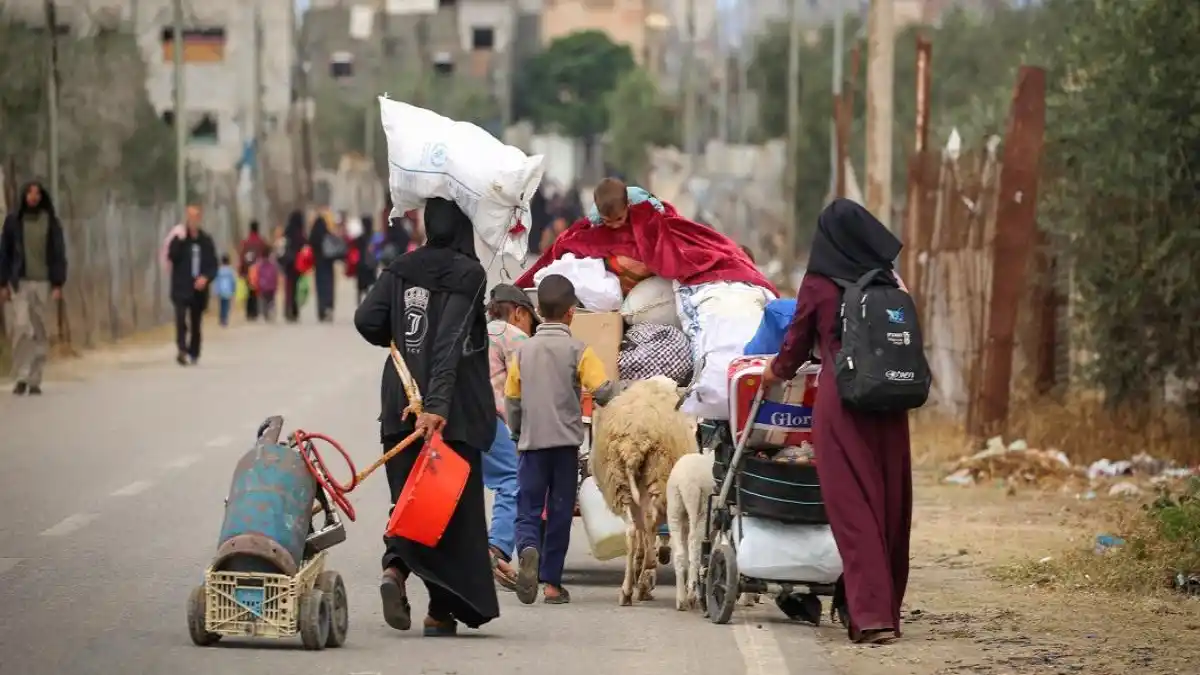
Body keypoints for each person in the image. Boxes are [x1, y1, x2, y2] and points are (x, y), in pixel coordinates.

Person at [761, 198, 912, 645]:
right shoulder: (889, 280)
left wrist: (773, 370)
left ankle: (870, 617)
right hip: (890, 407)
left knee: (853, 511)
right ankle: (881, 607)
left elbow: (795, 346)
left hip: (843, 408)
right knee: (889, 508)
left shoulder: (819, 283)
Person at [353, 197, 499, 637]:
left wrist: (397, 329)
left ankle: (396, 572)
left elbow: (367, 320)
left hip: (400, 403)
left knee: (411, 503)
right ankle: (439, 611)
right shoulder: (469, 274)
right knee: (445, 512)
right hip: (445, 412)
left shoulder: (401, 267)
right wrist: (435, 407)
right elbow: (450, 340)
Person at [504, 274, 617, 606]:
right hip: (566, 447)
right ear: (572, 313)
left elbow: (512, 398)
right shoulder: (579, 350)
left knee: (528, 507)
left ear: (537, 310)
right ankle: (552, 584)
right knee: (560, 512)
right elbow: (602, 390)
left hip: (531, 445)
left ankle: (527, 548)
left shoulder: (522, 353)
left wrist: (517, 431)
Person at [483, 283, 539, 590]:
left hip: (455, 417)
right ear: (519, 313)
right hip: (489, 420)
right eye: (531, 320)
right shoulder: (513, 336)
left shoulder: (474, 330)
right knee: (511, 480)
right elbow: (527, 383)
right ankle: (497, 550)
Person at [0, 181, 68, 395]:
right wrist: (3, 283)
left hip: (43, 283)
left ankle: (35, 378)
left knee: (40, 330)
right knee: (21, 328)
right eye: (30, 193)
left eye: (37, 193)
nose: (33, 197)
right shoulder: (13, 222)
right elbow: (4, 253)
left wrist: (58, 283)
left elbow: (58, 254)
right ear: (24, 195)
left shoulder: (51, 222)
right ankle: (21, 375)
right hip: (20, 282)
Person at [168, 205, 218, 366]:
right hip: (181, 286)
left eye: (196, 217)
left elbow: (213, 265)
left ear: (200, 218)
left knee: (196, 322)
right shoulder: (179, 238)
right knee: (181, 318)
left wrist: (206, 278)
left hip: (199, 288)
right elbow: (172, 257)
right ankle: (181, 349)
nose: (192, 221)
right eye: (190, 217)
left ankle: (194, 351)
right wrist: (179, 241)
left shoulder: (206, 241)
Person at [308, 211, 337, 322]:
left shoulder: (314, 236)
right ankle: (329, 307)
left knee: (320, 289)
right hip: (328, 266)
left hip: (318, 265)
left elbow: (309, 245)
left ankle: (321, 310)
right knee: (329, 287)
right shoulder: (327, 235)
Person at [239, 220, 270, 321]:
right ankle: (255, 311)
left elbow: (242, 256)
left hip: (248, 269)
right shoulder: (261, 242)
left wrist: (241, 270)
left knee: (249, 291)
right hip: (258, 269)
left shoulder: (246, 242)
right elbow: (266, 252)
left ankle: (249, 312)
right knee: (256, 291)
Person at [281, 210, 305, 323]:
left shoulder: (287, 232)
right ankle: (294, 310)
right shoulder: (301, 234)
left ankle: (287, 309)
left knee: (288, 287)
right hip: (298, 263)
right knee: (296, 288)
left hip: (287, 262)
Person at [354, 215, 378, 304]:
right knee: (371, 284)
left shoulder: (360, 238)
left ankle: (360, 302)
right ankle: (371, 301)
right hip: (372, 264)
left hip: (362, 264)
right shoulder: (375, 237)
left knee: (361, 286)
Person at [254, 251, 280, 322]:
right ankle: (271, 312)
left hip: (263, 286)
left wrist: (258, 285)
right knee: (271, 301)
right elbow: (275, 276)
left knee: (264, 301)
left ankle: (266, 314)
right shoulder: (273, 265)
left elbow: (258, 276)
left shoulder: (260, 265)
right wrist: (276, 286)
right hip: (271, 287)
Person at [214, 255, 237, 327]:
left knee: (221, 305)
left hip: (221, 290)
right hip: (228, 290)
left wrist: (216, 290)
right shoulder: (230, 271)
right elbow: (233, 281)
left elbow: (217, 281)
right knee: (226, 306)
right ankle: (225, 319)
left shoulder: (219, 270)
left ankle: (221, 318)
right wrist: (234, 289)